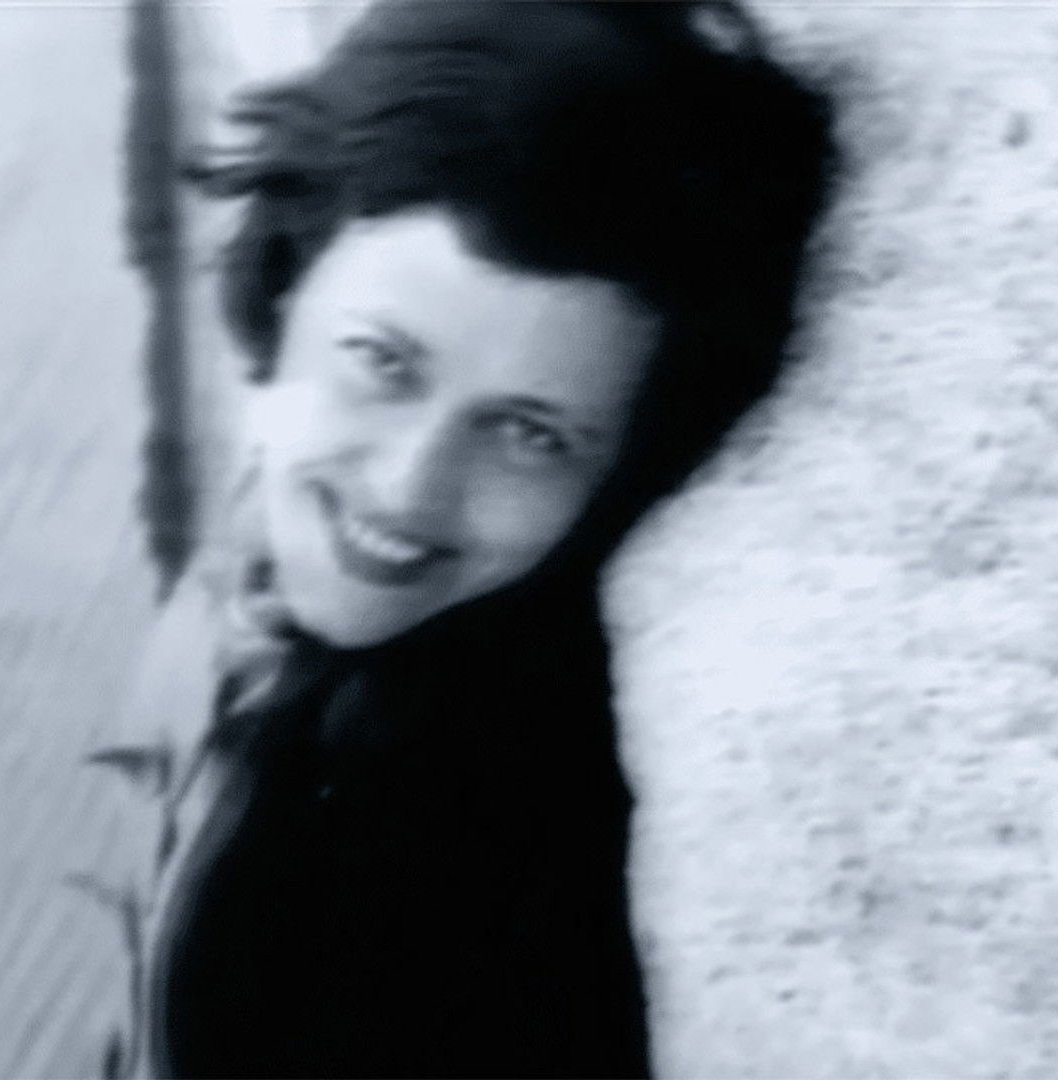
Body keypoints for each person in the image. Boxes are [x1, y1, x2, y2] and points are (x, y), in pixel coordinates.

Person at [83, 2, 836, 1076]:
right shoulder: (273, 567)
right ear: (290, 284)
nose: (409, 489)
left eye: (532, 434)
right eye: (383, 363)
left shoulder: (460, 856)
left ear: (624, 465)